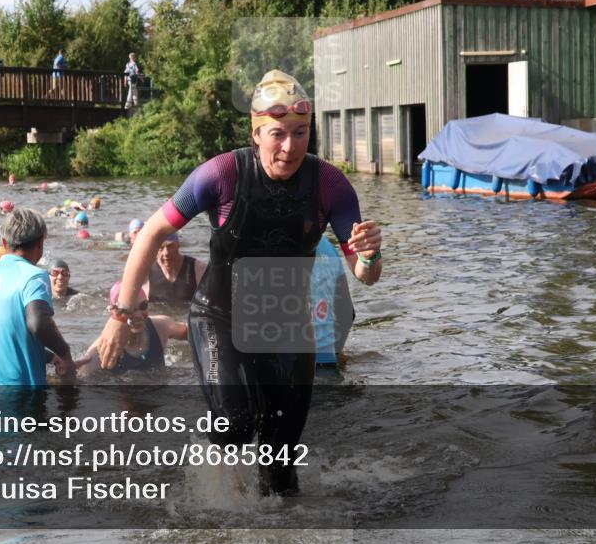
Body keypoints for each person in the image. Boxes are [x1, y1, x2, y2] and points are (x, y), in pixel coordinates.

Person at [92, 69, 382, 496]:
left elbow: (366, 275)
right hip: (219, 318)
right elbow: (151, 233)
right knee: (235, 425)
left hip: (286, 326)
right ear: (256, 133)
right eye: (278, 134)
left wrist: (371, 254)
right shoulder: (222, 174)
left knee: (282, 464)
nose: (290, 146)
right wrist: (120, 314)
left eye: (301, 133)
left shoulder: (329, 184)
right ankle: (211, 494)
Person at [0, 208, 77, 385]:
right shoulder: (34, 276)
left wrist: (49, 357)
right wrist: (65, 354)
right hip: (17, 395)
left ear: (3, 243)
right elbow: (38, 323)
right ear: (40, 244)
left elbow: (3, 335)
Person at [77, 281, 188, 374]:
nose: (139, 315)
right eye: (130, 310)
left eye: (143, 306)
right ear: (114, 312)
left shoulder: (161, 326)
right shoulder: (99, 352)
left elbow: (193, 332)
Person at [310, 235, 354, 368]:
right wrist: (335, 352)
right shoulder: (329, 247)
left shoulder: (263, 246)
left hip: (286, 364)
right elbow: (347, 314)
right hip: (326, 361)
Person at [147, 232, 206, 303]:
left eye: (170, 246)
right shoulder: (147, 271)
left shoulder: (198, 268)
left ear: (178, 245)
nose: (166, 253)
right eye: (161, 248)